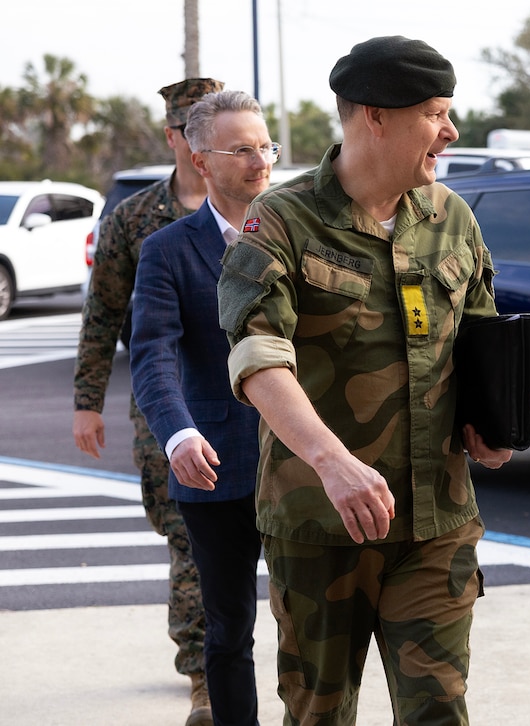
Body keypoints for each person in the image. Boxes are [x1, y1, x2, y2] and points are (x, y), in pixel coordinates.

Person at [216, 35, 511, 725]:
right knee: (320, 712)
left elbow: (483, 340)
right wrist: (331, 462)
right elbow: (258, 354)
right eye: (436, 112)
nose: (450, 130)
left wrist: (493, 424)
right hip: (320, 523)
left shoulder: (451, 217)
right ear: (374, 116)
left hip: (436, 520)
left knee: (439, 709)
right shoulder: (283, 222)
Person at [73, 77, 223, 726]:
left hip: (252, 402)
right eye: (191, 130)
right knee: (189, 538)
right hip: (166, 408)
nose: (201, 144)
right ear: (173, 137)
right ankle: (204, 678)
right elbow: (103, 314)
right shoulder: (133, 220)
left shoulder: (263, 211)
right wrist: (87, 400)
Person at [129, 89, 273, 725]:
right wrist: (178, 435)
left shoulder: (306, 233)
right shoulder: (167, 249)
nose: (259, 161)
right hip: (215, 464)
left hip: (307, 462)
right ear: (200, 158)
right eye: (240, 149)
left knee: (317, 625)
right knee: (228, 631)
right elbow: (152, 355)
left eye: (265, 146)